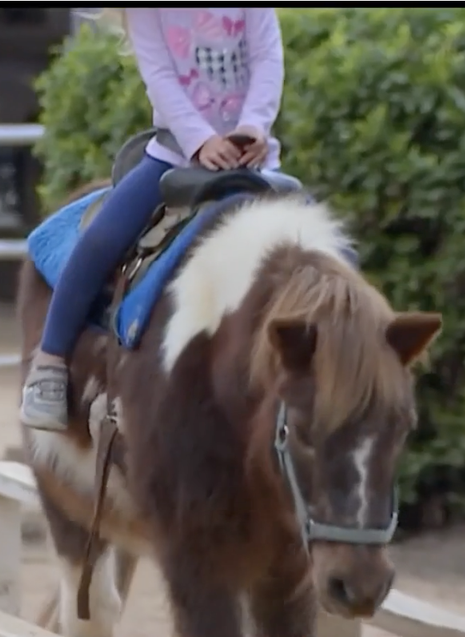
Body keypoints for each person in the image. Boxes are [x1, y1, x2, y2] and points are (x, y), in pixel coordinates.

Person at [20, 8, 284, 431]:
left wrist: (255, 126)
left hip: (251, 160)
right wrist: (199, 141)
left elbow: (268, 58)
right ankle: (50, 363)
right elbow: (160, 77)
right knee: (101, 240)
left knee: (323, 244)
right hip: (175, 158)